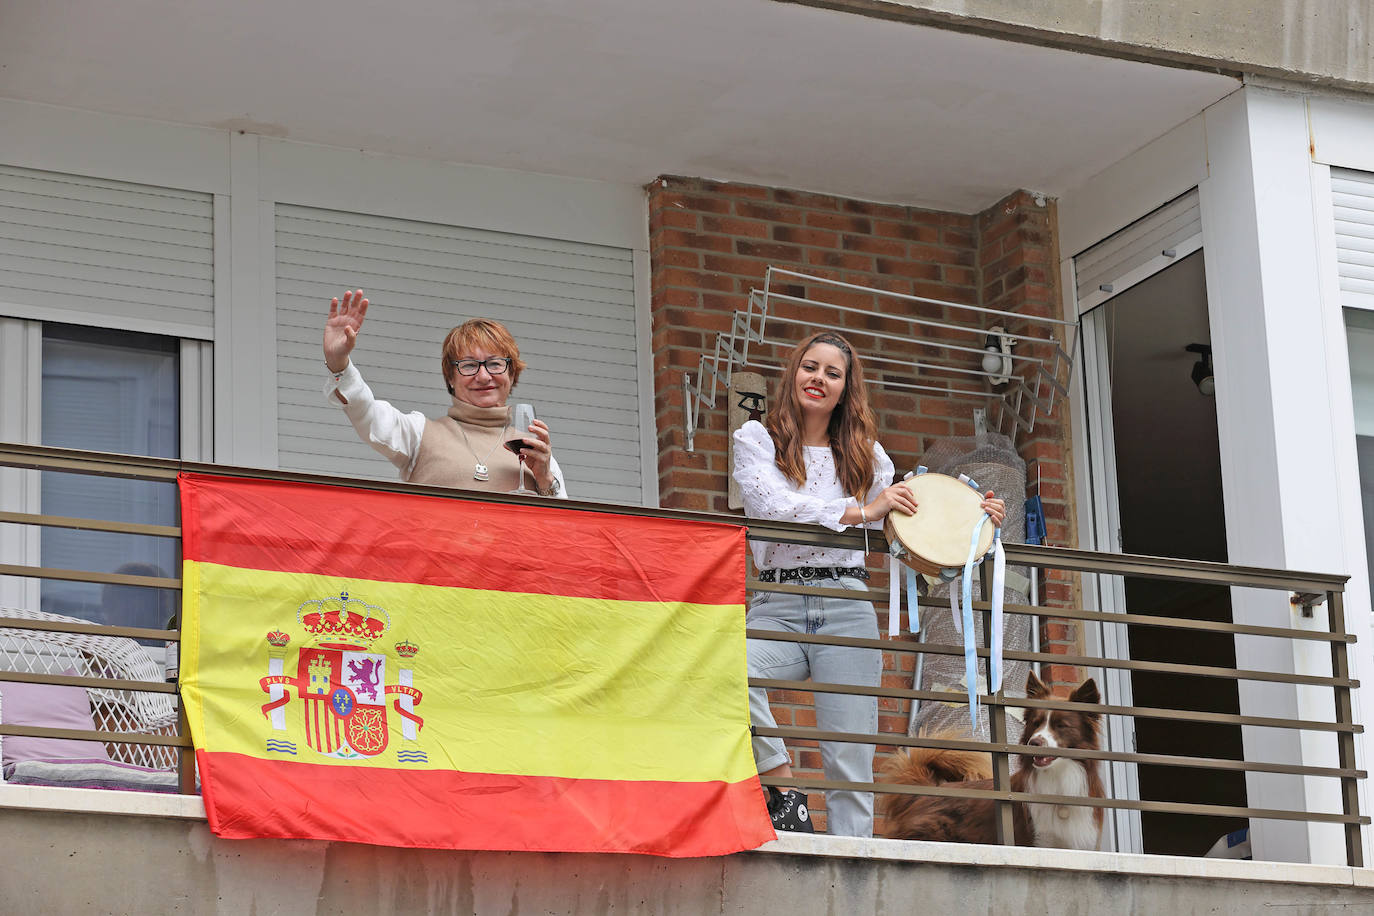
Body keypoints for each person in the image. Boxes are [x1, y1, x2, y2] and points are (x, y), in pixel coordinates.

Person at [732, 331, 1004, 837]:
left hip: (846, 603)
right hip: (776, 601)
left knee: (850, 760)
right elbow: (772, 508)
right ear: (793, 373)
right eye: (810, 367)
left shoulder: (869, 456)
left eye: (832, 373)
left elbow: (910, 524)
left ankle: (850, 869)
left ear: (845, 388)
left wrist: (978, 518)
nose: (818, 379)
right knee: (722, 670)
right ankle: (783, 787)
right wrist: (861, 510)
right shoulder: (756, 439)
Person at [322, 289, 566, 497]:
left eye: (494, 364)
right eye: (469, 365)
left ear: (512, 373)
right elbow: (367, 413)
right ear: (450, 376)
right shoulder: (419, 433)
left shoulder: (536, 452)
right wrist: (339, 362)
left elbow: (562, 535)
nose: (483, 376)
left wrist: (544, 479)